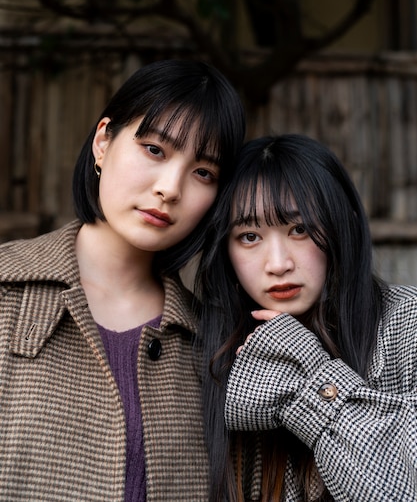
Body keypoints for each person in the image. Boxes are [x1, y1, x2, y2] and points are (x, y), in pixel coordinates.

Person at [0, 59, 246, 502]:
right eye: (155, 149)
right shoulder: (6, 292)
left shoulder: (215, 344)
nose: (170, 188)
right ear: (102, 141)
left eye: (203, 172)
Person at [198, 133, 417, 501]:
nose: (279, 264)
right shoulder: (213, 351)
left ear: (340, 227)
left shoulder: (406, 325)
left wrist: (313, 378)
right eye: (249, 236)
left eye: (299, 229)